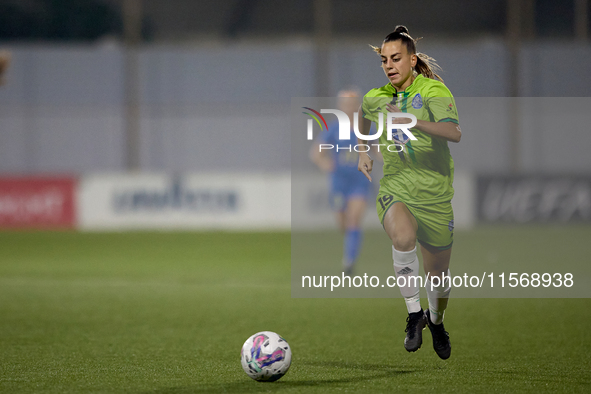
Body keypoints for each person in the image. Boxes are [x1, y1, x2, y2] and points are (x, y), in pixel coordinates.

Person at [356, 26, 461, 360]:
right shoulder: (377, 96)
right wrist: (362, 149)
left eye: (396, 58)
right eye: (384, 60)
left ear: (412, 60)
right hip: (396, 187)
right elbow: (363, 116)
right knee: (402, 239)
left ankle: (436, 320)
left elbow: (453, 133)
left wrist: (412, 122)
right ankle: (414, 314)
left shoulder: (433, 91)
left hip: (435, 196)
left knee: (439, 276)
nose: (389, 65)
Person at [309, 88, 371, 276]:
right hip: (339, 182)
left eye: (353, 104)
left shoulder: (367, 127)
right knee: (342, 223)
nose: (349, 108)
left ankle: (349, 262)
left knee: (354, 220)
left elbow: (378, 149)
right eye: (345, 104)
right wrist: (325, 163)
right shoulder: (333, 129)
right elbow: (316, 153)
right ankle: (350, 245)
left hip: (360, 180)